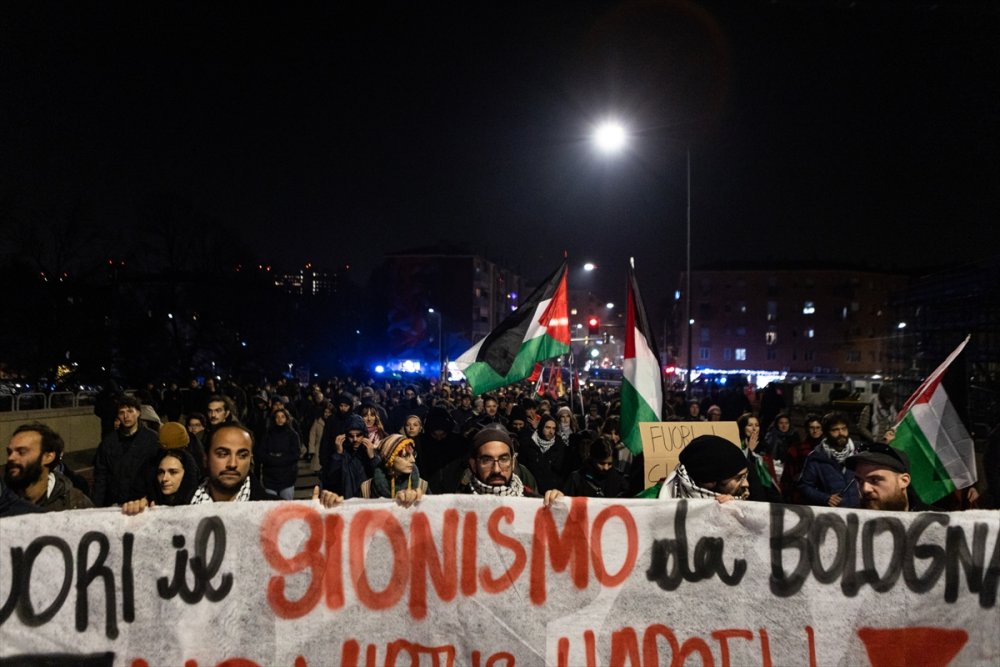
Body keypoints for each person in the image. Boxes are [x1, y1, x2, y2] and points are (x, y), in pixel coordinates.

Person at [456, 426, 563, 505]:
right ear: (474, 465)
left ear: (512, 463)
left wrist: (559, 506)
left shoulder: (534, 501)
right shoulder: (457, 505)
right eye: (487, 460)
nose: (496, 470)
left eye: (503, 459)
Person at [4, 422, 93, 511]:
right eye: (9, 452)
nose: (11, 458)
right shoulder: (3, 499)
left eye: (22, 452)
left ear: (48, 457)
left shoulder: (76, 503)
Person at [92, 395, 160, 506]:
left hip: (141, 502)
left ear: (138, 413)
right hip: (115, 502)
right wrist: (96, 506)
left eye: (130, 411)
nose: (126, 416)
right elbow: (101, 476)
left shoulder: (152, 439)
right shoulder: (108, 442)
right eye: (121, 412)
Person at [657, 434, 750, 503]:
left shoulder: (735, 502)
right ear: (709, 482)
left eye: (746, 476)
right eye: (739, 478)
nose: (746, 484)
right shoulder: (651, 501)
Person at [798, 411, 861, 508]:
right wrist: (825, 498)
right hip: (832, 516)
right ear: (826, 433)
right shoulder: (816, 457)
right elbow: (804, 486)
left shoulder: (858, 453)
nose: (841, 433)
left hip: (858, 513)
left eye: (843, 429)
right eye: (835, 430)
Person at [845, 443, 923, 511]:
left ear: (904, 481)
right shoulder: (848, 522)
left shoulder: (933, 520)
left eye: (874, 480)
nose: (865, 489)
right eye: (860, 481)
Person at [360, 434, 427, 506]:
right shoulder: (367, 488)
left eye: (413, 454)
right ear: (389, 460)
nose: (413, 460)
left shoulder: (422, 486)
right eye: (405, 456)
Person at [322, 414, 378, 499]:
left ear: (364, 435)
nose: (355, 439)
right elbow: (331, 479)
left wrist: (372, 457)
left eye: (358, 435)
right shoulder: (341, 454)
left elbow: (379, 478)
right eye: (351, 436)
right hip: (346, 501)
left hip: (366, 501)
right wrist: (338, 455)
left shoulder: (369, 453)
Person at [518, 414, 571, 493]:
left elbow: (564, 472)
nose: (551, 431)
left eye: (553, 428)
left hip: (552, 492)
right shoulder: (528, 444)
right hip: (531, 491)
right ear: (541, 427)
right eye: (547, 427)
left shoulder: (560, 446)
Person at [257, 407, 301, 499]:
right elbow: (261, 453)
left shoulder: (293, 435)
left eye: (282, 417)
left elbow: (295, 454)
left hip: (287, 476)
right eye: (277, 417)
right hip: (270, 477)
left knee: (286, 507)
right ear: (274, 419)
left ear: (286, 419)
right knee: (271, 508)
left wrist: (279, 460)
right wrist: (273, 460)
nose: (280, 419)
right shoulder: (267, 434)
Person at [737, 413, 782, 502]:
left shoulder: (764, 445)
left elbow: (770, 470)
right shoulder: (738, 444)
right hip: (748, 488)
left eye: (757, 425)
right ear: (742, 427)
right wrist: (749, 451)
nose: (754, 429)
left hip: (766, 487)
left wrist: (776, 486)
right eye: (750, 425)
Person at [780, 413, 823, 504]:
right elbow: (788, 474)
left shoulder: (827, 450)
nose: (815, 431)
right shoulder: (796, 449)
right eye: (812, 427)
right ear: (807, 429)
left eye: (818, 427)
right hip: (801, 493)